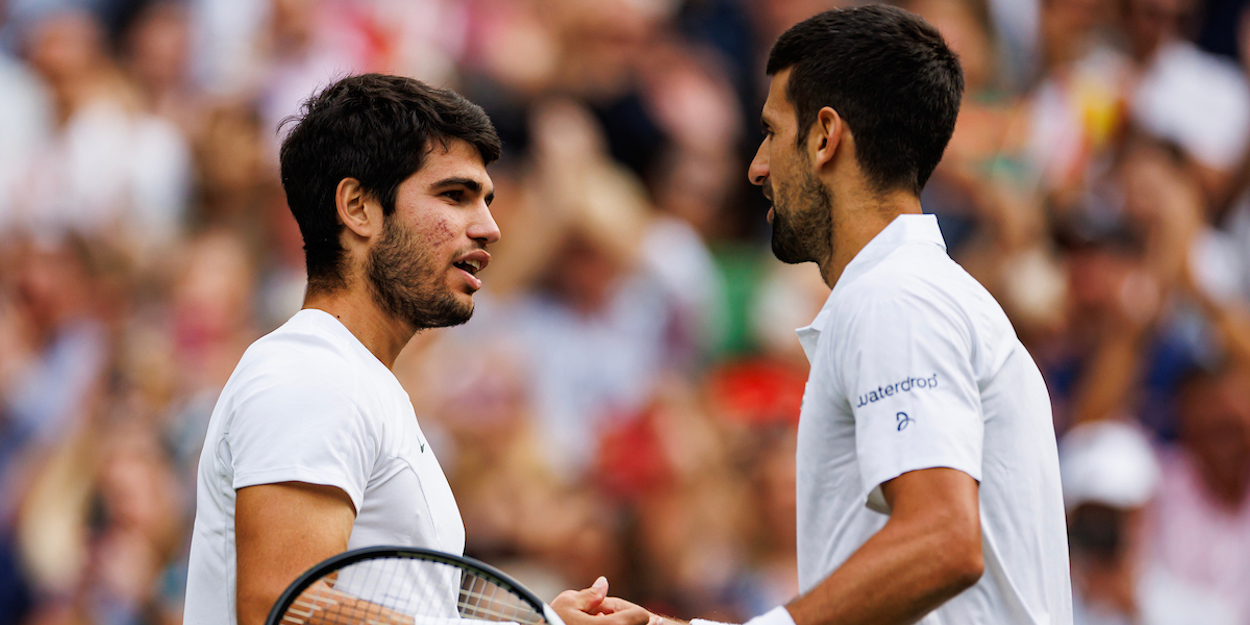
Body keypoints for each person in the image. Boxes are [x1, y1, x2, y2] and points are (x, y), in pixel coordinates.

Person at [638, 6, 1072, 625]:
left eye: (770, 132)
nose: (757, 166)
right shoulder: (912, 293)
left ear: (824, 136)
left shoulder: (895, 298)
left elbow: (945, 542)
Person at [182, 74, 650, 625]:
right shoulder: (311, 372)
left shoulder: (355, 379)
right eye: (455, 195)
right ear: (358, 207)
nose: (490, 227)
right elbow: (282, 605)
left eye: (487, 200)